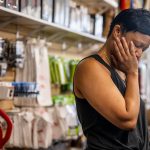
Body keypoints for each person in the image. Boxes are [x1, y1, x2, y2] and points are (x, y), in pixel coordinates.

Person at [73, 9, 150, 150]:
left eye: (144, 49)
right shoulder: (90, 67)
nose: (139, 54)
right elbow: (127, 120)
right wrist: (133, 73)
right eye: (137, 45)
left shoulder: (123, 69)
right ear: (117, 31)